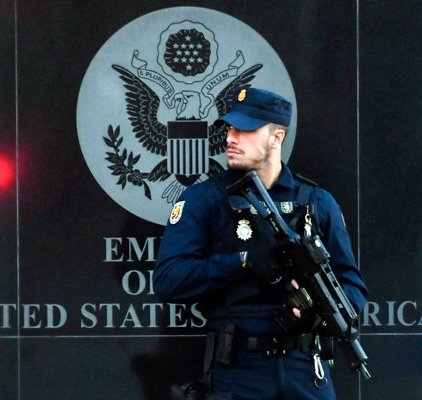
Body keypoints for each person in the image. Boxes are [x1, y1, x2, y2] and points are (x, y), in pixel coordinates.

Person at [154, 86, 368, 400]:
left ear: (276, 137)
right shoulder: (205, 199)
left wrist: (313, 309)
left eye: (245, 129)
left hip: (306, 370)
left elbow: (352, 286)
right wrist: (242, 263)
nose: (230, 137)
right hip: (238, 369)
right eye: (230, 128)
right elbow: (168, 280)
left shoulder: (316, 203)